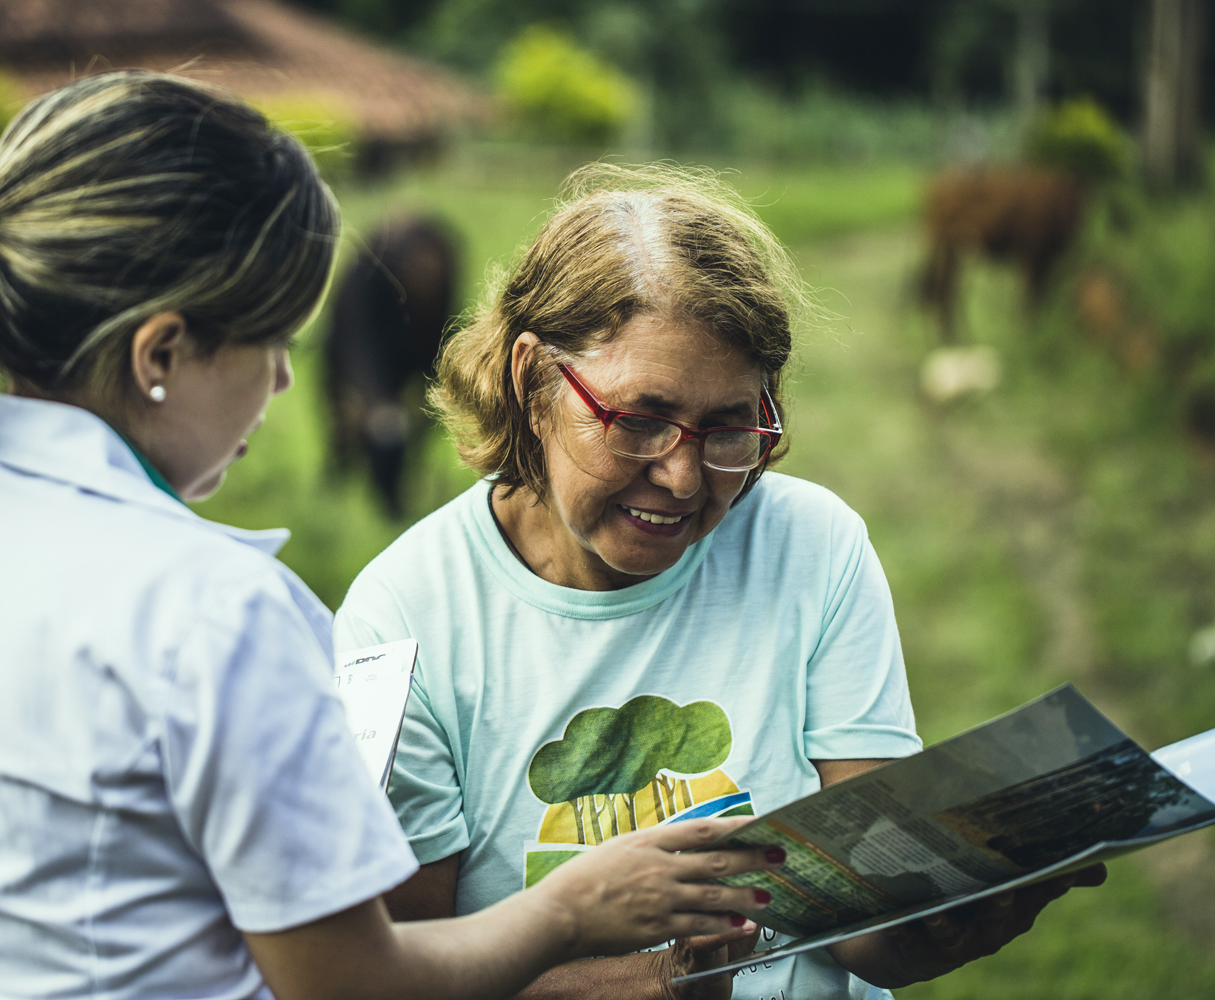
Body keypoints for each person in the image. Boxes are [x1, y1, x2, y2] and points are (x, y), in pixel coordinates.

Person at [0, 74, 784, 1000]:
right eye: (272, 343)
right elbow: (350, 984)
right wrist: (569, 909)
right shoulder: (217, 610)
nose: (278, 383)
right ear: (160, 354)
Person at [332, 165, 1106, 1000]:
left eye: (731, 428)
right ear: (531, 382)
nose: (683, 476)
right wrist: (666, 978)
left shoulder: (813, 548)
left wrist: (951, 916)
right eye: (639, 420)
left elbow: (868, 922)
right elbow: (402, 979)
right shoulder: (403, 620)